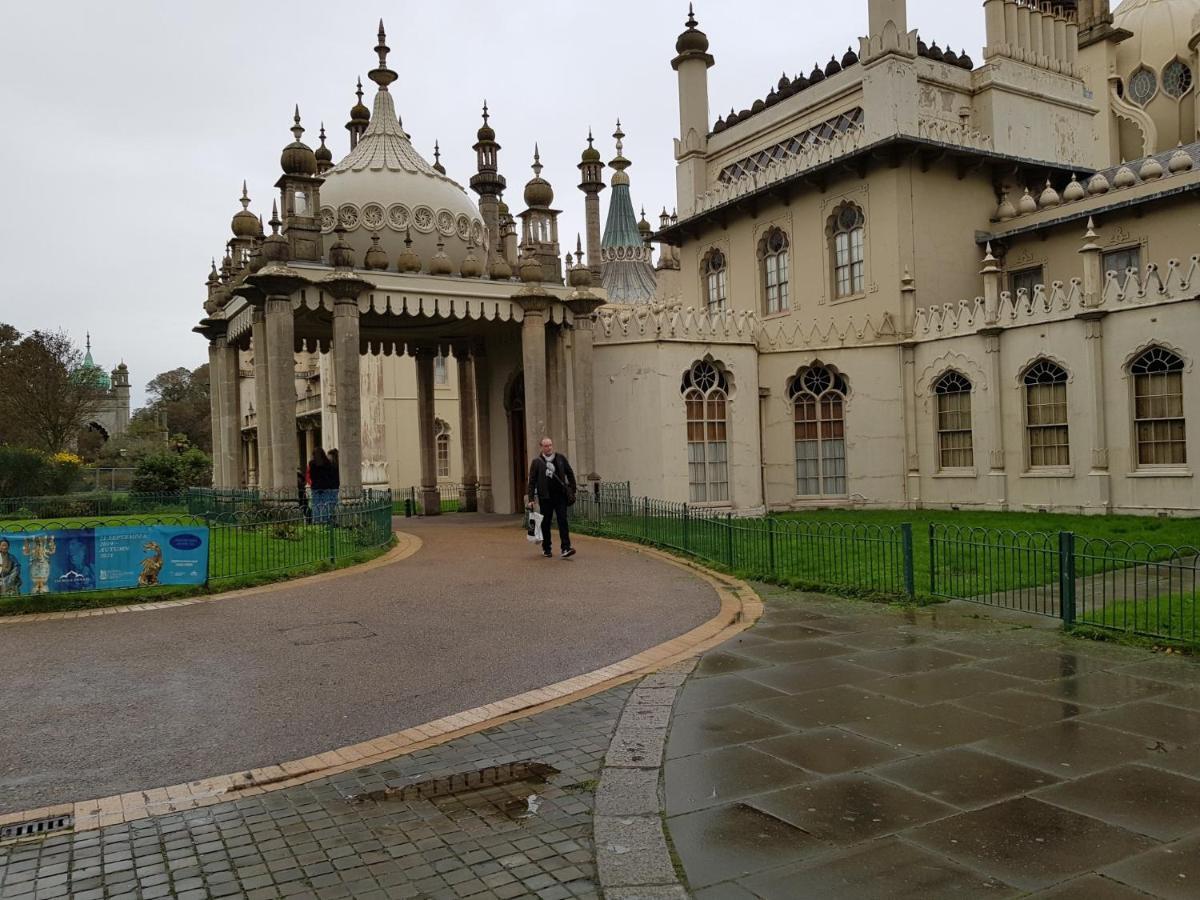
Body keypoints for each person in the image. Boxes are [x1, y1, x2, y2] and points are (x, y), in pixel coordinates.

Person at [527, 437, 577, 559]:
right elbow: (532, 481)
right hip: (545, 497)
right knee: (546, 523)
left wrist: (572, 490)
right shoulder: (537, 462)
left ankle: (565, 548)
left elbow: (570, 473)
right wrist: (531, 499)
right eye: (546, 446)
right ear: (541, 447)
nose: (549, 448)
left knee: (562, 521)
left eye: (550, 445)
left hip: (560, 496)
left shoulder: (560, 458)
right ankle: (546, 548)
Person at [308, 448, 337, 523]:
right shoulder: (327, 463)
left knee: (316, 505)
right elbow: (329, 475)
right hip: (326, 487)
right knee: (325, 505)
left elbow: (311, 475)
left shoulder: (311, 463)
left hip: (316, 487)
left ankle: (316, 521)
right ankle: (325, 520)